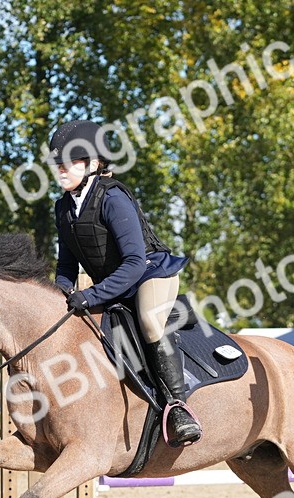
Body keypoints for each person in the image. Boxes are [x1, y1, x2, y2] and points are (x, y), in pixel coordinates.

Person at [48, 119, 202, 447]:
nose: (60, 170)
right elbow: (65, 265)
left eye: (68, 163)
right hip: (114, 284)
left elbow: (134, 263)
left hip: (150, 275)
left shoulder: (112, 197)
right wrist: (62, 290)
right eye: (57, 164)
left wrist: (90, 295)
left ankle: (178, 407)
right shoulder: (63, 207)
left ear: (92, 164)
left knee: (148, 321)